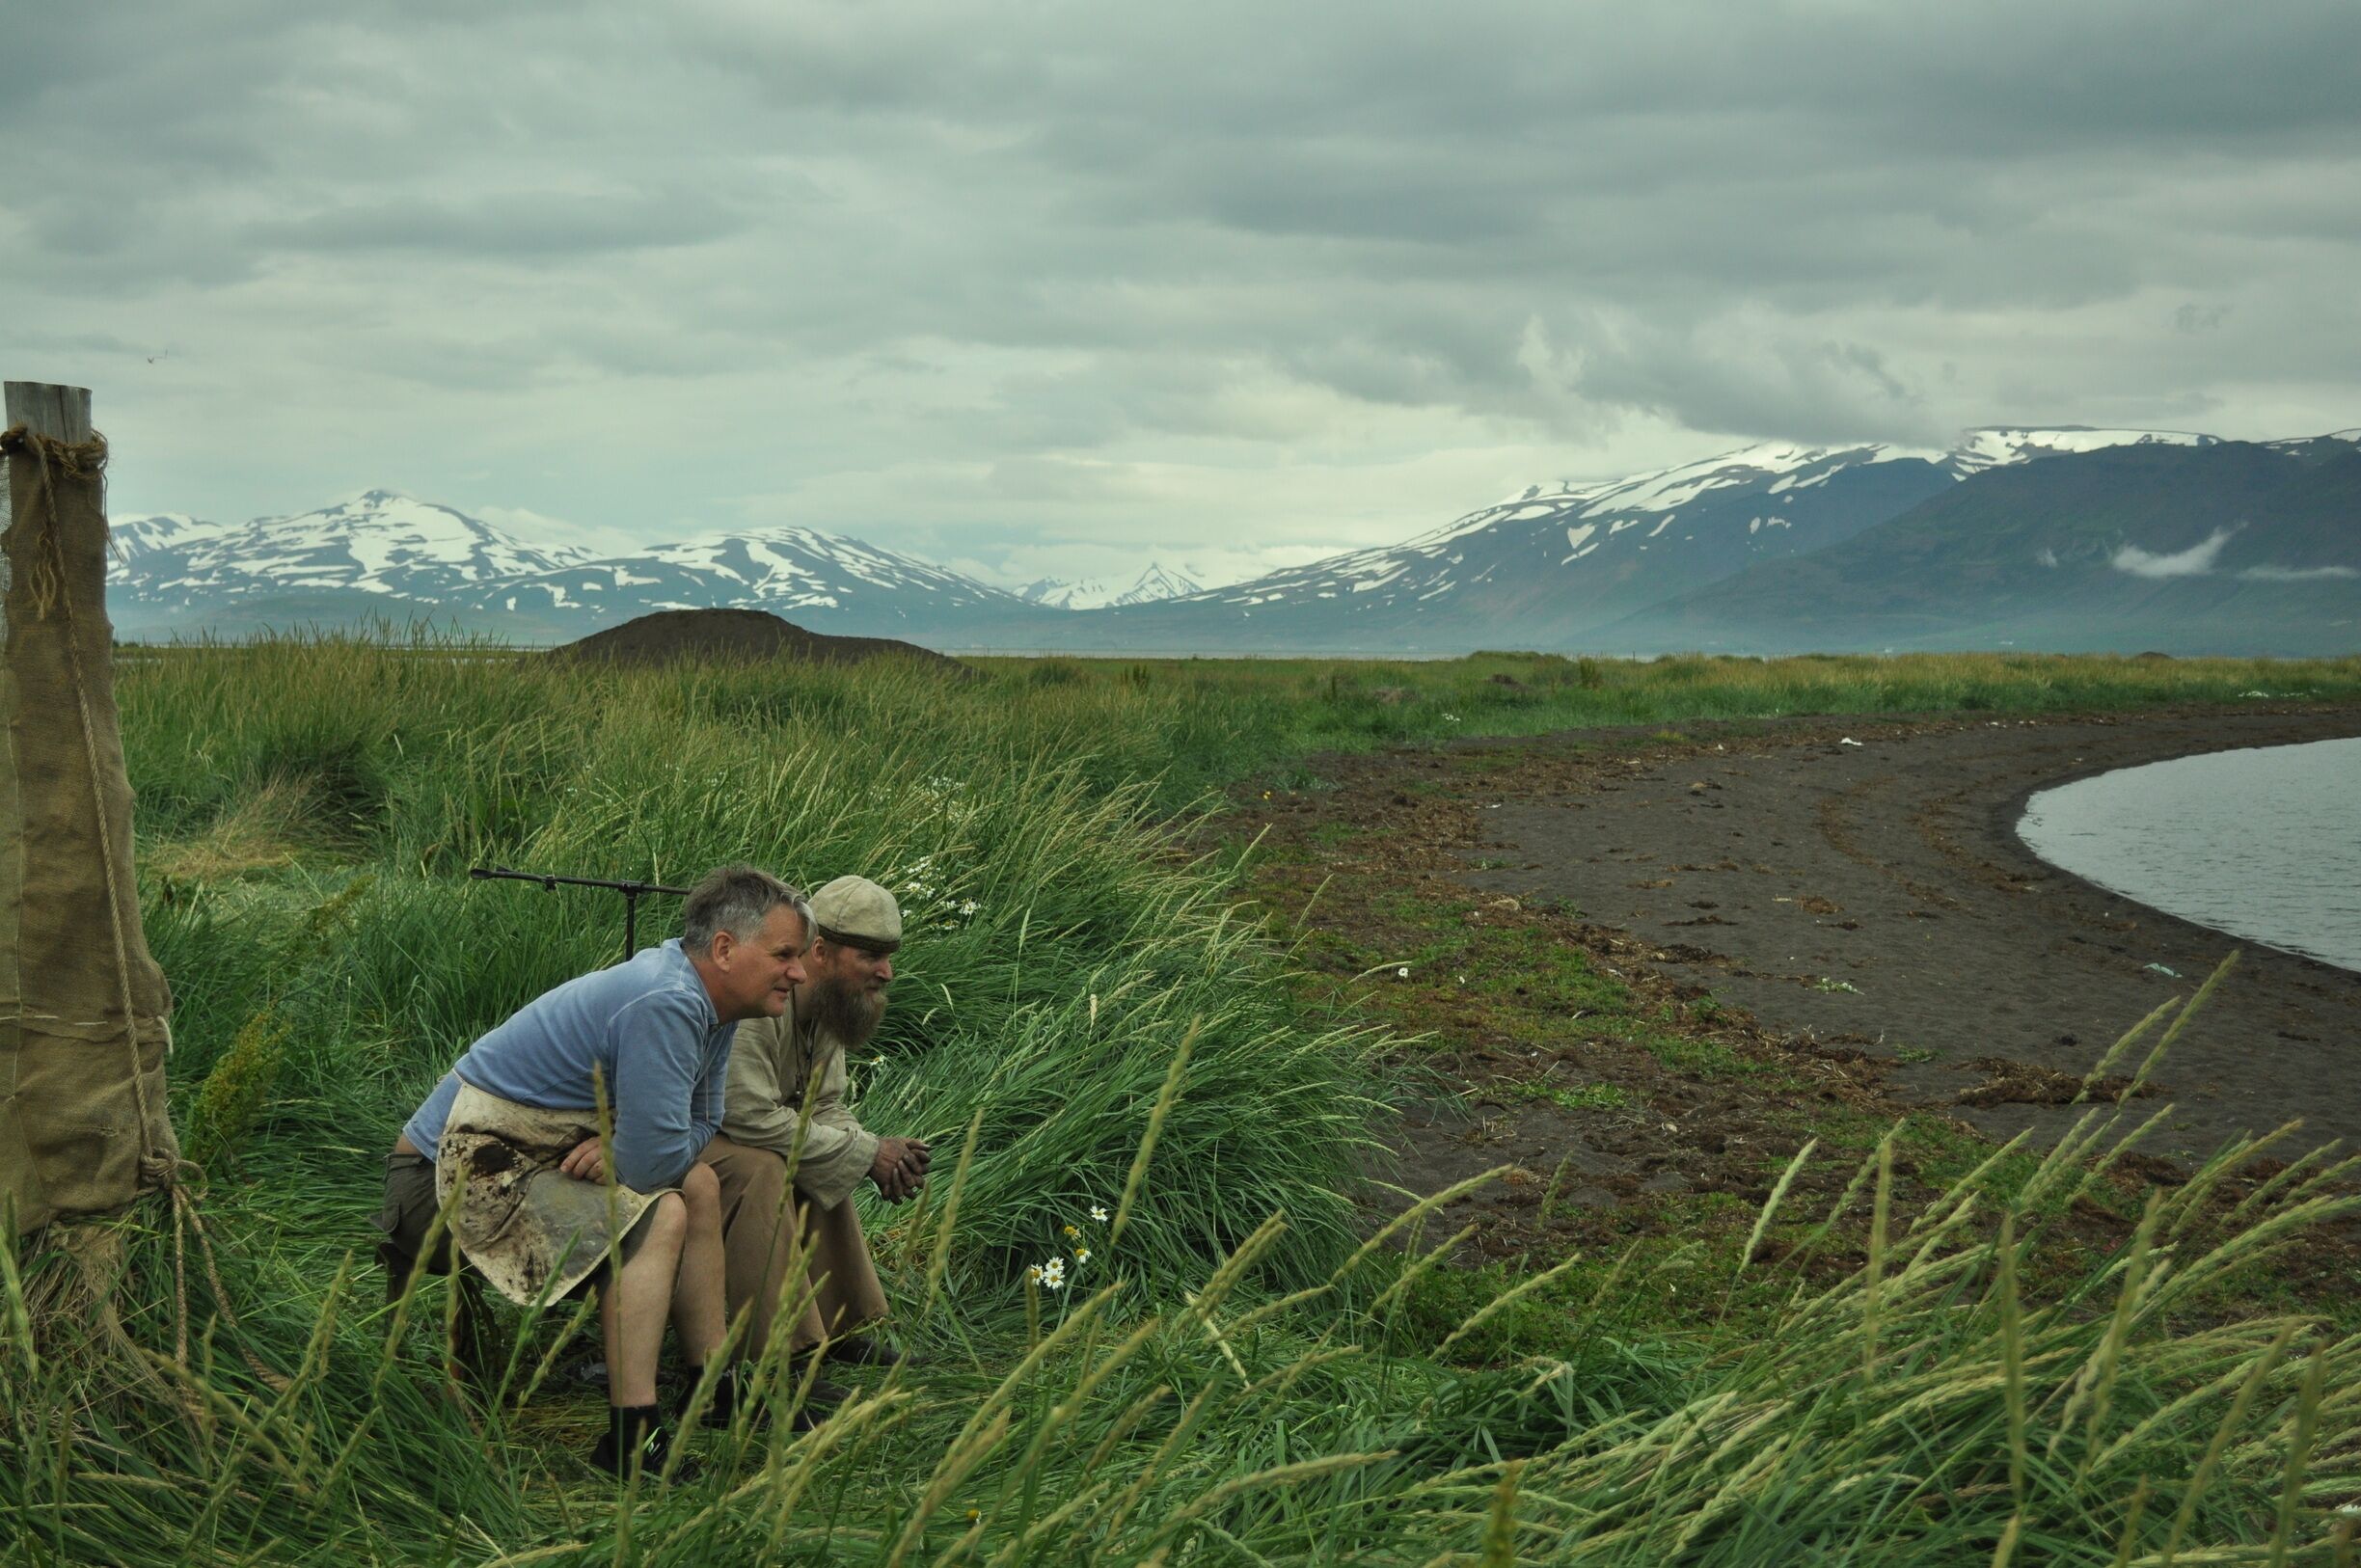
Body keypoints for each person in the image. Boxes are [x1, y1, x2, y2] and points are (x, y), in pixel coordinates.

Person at [372, 865, 810, 1476]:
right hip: (439, 1182)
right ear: (725, 949)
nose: (799, 970)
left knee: (702, 1182)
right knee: (663, 1212)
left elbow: (705, 1122)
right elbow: (654, 1160)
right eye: (785, 954)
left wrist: (621, 1145)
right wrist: (628, 1147)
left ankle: (714, 1388)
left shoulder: (716, 1006)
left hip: (516, 1156)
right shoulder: (667, 1001)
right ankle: (630, 1439)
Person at [701, 876, 929, 1398]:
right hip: (695, 1135)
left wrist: (873, 1154)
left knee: (828, 1148)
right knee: (768, 1165)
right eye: (871, 956)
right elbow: (744, 1116)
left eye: (890, 957)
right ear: (821, 951)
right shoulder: (763, 1000)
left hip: (741, 1129)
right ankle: (776, 1358)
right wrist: (867, 1152)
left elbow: (825, 1104)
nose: (886, 973)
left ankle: (836, 1327)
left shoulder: (828, 1004)